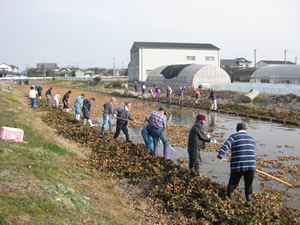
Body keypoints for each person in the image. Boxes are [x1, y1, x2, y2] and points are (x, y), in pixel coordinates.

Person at [217, 122, 256, 202]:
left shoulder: (234, 137)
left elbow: (226, 145)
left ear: (237, 129)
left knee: (233, 182)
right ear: (245, 129)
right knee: (248, 183)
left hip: (238, 165)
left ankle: (229, 197)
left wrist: (220, 155)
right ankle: (249, 199)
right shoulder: (251, 138)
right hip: (251, 165)